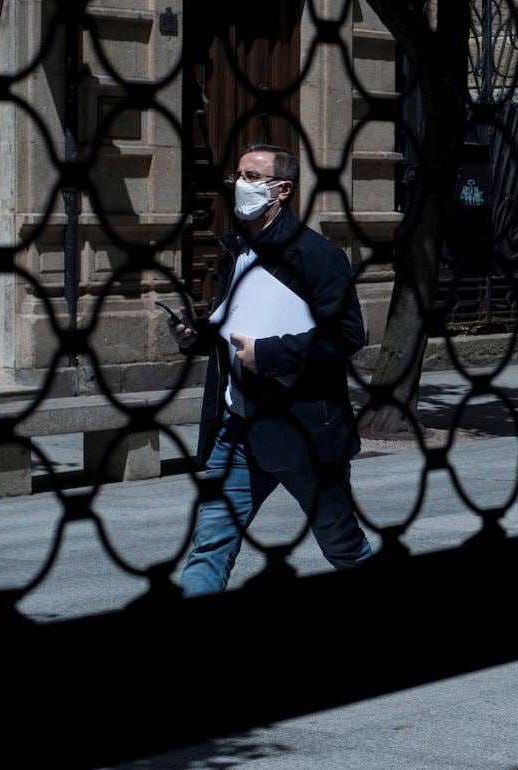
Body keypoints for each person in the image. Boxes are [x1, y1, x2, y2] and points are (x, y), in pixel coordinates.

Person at [170, 144, 373, 595]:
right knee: (210, 545)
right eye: (238, 175)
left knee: (342, 546)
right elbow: (233, 325)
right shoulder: (235, 252)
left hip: (301, 431)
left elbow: (347, 336)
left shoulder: (317, 256)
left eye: (252, 176)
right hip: (238, 428)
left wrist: (268, 355)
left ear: (282, 190)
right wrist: (197, 335)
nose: (240, 185)